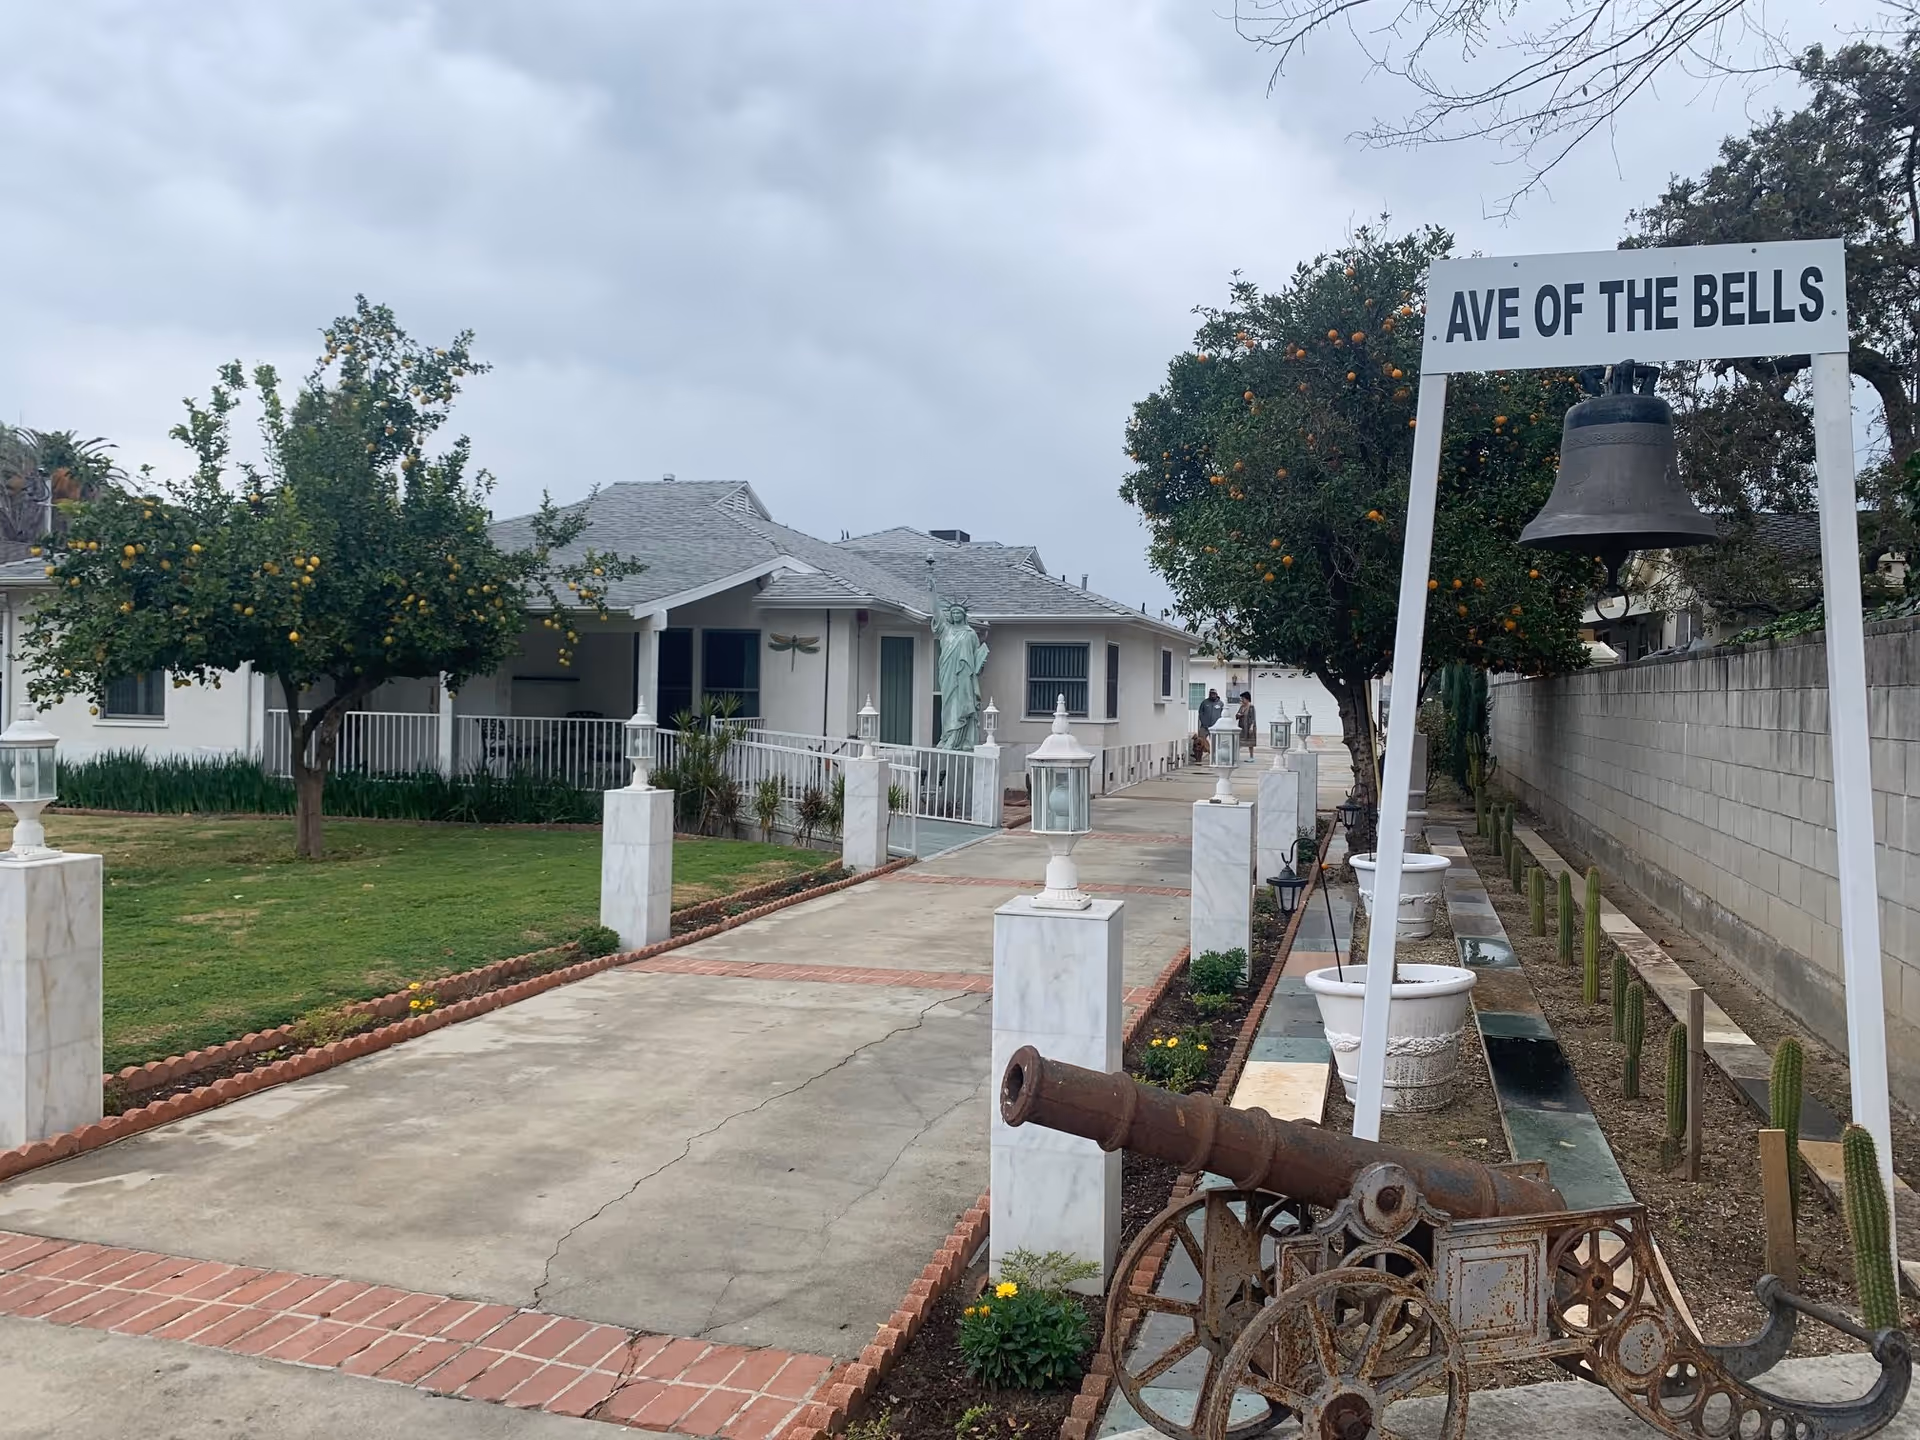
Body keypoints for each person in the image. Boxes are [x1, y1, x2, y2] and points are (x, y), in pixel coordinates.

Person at [1237, 691, 1256, 759]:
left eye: (1243, 698)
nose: (1242, 700)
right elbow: (1237, 715)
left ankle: (1251, 757)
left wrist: (1251, 727)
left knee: (1250, 743)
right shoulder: (1241, 707)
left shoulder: (1251, 707)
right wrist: (1238, 715)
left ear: (1247, 699)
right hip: (1241, 726)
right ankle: (1236, 756)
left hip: (1248, 726)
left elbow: (1253, 718)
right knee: (1239, 741)